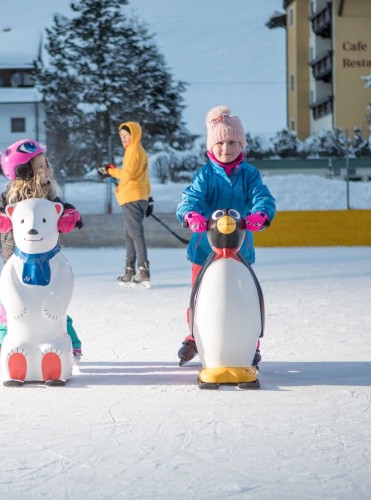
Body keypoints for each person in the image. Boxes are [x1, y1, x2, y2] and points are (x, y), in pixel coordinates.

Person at [175, 105, 276, 367]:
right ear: (211, 146)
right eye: (220, 142)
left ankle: (250, 343)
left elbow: (262, 197)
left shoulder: (250, 174)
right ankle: (196, 336)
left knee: (245, 297)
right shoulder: (205, 175)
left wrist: (260, 214)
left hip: (240, 248)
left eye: (232, 141)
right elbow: (190, 199)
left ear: (241, 144)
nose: (226, 148)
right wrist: (191, 216)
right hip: (204, 250)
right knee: (200, 296)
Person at [0, 139, 84, 364]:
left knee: (55, 306)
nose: (46, 170)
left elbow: (69, 210)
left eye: (46, 165)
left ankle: (72, 345)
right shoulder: (9, 197)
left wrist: (71, 217)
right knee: (8, 307)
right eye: (40, 167)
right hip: (14, 263)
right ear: (24, 171)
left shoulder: (48, 196)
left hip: (46, 262)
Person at [97, 121, 152, 288]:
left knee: (135, 233)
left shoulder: (133, 150)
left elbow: (127, 174)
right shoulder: (139, 150)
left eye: (126, 135)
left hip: (132, 197)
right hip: (138, 196)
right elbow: (142, 176)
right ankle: (130, 270)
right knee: (129, 233)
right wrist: (149, 198)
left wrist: (109, 171)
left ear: (134, 135)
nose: (124, 139)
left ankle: (143, 270)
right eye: (122, 136)